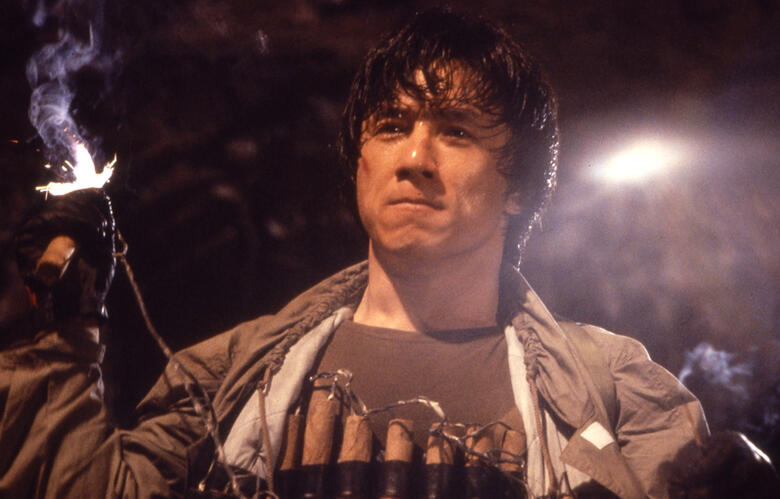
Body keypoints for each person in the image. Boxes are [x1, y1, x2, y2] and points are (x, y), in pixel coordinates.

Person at [1, 8, 777, 499]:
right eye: (391, 126)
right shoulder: (226, 377)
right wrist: (56, 339)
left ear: (517, 188)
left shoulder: (615, 386)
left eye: (456, 131)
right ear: (360, 164)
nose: (414, 158)